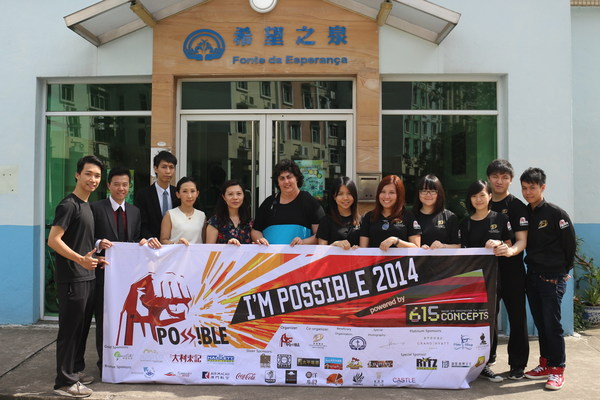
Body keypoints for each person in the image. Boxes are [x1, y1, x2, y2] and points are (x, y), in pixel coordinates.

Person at [90, 167, 161, 372]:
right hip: (103, 274)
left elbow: (135, 239)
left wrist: (143, 243)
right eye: (116, 184)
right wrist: (97, 244)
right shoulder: (96, 208)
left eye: (125, 185)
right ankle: (105, 363)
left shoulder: (134, 211)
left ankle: (127, 359)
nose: (121, 188)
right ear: (108, 186)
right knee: (105, 319)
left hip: (128, 278)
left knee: (128, 318)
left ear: (129, 187)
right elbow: (88, 236)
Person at [47, 155, 103, 398]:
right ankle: (64, 382)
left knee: (81, 329)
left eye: (97, 175)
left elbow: (80, 241)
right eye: (88, 174)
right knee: (70, 331)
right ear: (77, 175)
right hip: (72, 277)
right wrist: (80, 260)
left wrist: (97, 252)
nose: (93, 179)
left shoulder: (86, 205)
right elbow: (53, 240)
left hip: (87, 276)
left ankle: (75, 371)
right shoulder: (69, 205)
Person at [520, 167, 575, 391]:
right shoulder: (524, 213)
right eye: (524, 188)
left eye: (532, 187)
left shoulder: (556, 213)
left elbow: (569, 245)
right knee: (541, 323)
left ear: (542, 187)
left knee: (552, 325)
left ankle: (557, 369)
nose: (528, 192)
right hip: (532, 275)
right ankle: (544, 364)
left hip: (552, 277)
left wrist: (564, 271)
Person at [458, 179, 513, 383]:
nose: (478, 199)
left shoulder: (500, 219)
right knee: (471, 319)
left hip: (493, 280)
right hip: (469, 281)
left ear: (490, 196)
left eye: (482, 195)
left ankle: (487, 361)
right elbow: (460, 250)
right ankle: (468, 360)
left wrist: (499, 243)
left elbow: (509, 243)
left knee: (490, 319)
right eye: (474, 196)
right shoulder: (465, 223)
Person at [486, 159, 530, 380]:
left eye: (504, 177)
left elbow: (522, 240)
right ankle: (487, 359)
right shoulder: (483, 203)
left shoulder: (517, 206)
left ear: (511, 180)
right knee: (488, 316)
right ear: (489, 178)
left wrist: (510, 250)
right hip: (487, 271)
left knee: (517, 316)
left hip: (512, 269)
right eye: (495, 176)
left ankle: (518, 364)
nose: (499, 181)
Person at [252, 159, 325, 245]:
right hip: (270, 254)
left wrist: (303, 242)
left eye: (289, 177)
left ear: (297, 178)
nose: (286, 181)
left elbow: (321, 235)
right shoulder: (269, 202)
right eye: (282, 178)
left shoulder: (309, 202)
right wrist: (259, 239)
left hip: (300, 253)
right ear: (278, 182)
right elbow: (255, 230)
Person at [359, 175, 421, 249]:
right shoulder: (369, 217)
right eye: (383, 192)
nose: (386, 196)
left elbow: (416, 247)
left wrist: (396, 241)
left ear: (399, 195)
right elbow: (363, 248)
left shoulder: (408, 216)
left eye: (391, 192)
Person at [135, 150, 180, 241]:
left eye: (171, 167)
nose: (168, 171)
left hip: (175, 244)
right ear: (155, 168)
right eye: (164, 167)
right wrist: (151, 239)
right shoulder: (143, 194)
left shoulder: (178, 194)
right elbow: (141, 223)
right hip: (151, 244)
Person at [412, 174, 459, 249]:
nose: (428, 195)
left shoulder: (450, 217)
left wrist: (443, 246)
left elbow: (458, 246)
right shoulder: (411, 216)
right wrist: (419, 249)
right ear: (418, 193)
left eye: (432, 191)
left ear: (439, 193)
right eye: (424, 191)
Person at [317, 176, 361, 249]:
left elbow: (367, 247)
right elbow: (321, 250)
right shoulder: (326, 221)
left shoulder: (362, 220)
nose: (345, 198)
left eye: (349, 193)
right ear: (334, 197)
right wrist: (334, 244)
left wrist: (359, 249)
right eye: (340, 194)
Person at [160, 177, 206, 245]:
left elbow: (204, 241)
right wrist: (176, 244)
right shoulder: (170, 215)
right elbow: (163, 240)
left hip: (196, 251)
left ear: (197, 193)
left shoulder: (202, 215)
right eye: (185, 191)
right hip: (177, 251)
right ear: (178, 194)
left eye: (192, 191)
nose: (189, 196)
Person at [206, 179, 253, 245]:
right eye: (230, 194)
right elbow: (209, 249)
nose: (235, 197)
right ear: (224, 197)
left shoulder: (249, 222)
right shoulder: (214, 222)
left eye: (239, 194)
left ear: (243, 196)